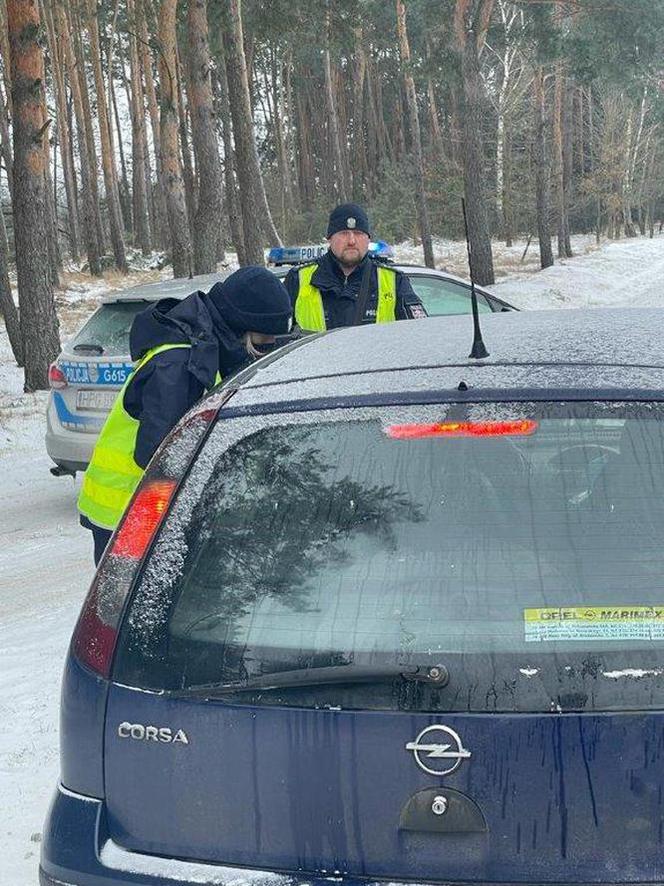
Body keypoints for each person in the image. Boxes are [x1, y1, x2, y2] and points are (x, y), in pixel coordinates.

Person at [78, 266, 292, 565]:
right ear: (242, 327)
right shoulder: (180, 362)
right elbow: (159, 453)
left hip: (141, 510)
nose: (263, 350)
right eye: (263, 341)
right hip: (128, 513)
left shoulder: (204, 346)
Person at [283, 202, 426, 331]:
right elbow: (277, 339)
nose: (351, 241)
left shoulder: (394, 281)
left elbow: (420, 336)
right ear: (330, 238)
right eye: (344, 233)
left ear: (368, 238)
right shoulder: (298, 280)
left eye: (358, 233)